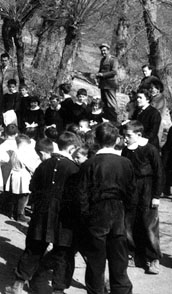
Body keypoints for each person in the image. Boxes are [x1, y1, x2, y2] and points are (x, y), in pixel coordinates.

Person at [10, 132, 80, 294]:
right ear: (71, 148)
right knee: (64, 252)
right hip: (64, 217)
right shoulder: (75, 169)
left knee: (34, 248)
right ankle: (58, 290)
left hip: (42, 213)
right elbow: (77, 195)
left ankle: (18, 284)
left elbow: (32, 186)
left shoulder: (44, 164)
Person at [78, 122, 136, 294]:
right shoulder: (125, 163)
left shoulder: (89, 164)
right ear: (117, 140)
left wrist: (86, 216)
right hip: (119, 211)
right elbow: (132, 193)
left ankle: (96, 291)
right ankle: (122, 290)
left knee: (95, 260)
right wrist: (126, 214)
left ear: (96, 140)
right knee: (119, 258)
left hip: (97, 212)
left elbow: (82, 194)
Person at [121, 121, 162, 275]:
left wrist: (156, 196)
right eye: (124, 136)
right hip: (131, 190)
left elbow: (159, 173)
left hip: (147, 189)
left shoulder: (150, 149)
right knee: (129, 223)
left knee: (149, 224)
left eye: (128, 136)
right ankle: (132, 254)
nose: (125, 139)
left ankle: (153, 258)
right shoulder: (126, 150)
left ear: (139, 135)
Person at [95, 43, 119, 122]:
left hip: (110, 85)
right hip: (103, 85)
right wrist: (97, 75)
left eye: (104, 50)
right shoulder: (102, 60)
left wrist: (102, 74)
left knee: (111, 103)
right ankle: (106, 120)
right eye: (102, 51)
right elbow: (100, 70)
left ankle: (114, 120)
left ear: (108, 50)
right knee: (104, 103)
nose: (103, 52)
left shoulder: (113, 59)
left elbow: (114, 72)